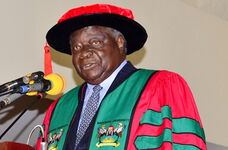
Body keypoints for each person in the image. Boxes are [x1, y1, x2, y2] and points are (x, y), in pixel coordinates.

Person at [36, 4, 206, 150]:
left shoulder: (159, 86)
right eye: (76, 48)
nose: (84, 53)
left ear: (119, 43)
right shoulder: (60, 107)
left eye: (95, 42)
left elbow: (183, 143)